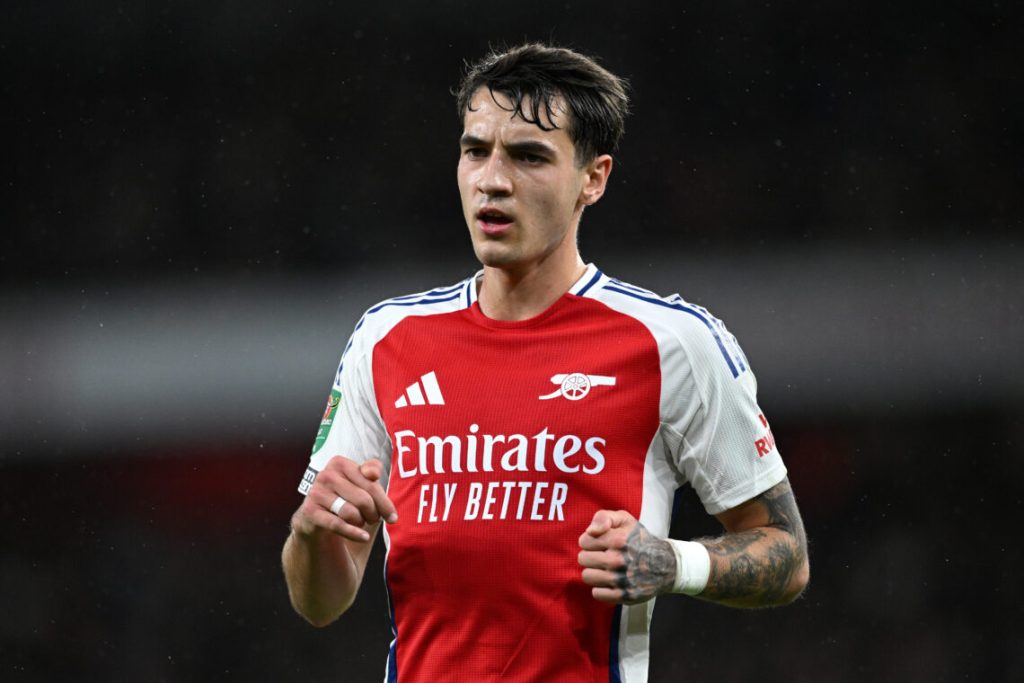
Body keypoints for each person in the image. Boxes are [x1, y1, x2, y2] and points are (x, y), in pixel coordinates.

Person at [282, 43, 809, 682]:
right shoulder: (386, 338)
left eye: (529, 156)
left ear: (594, 178)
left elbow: (786, 553)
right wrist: (310, 533)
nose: (492, 180)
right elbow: (320, 602)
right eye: (476, 151)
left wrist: (675, 563)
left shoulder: (672, 342)